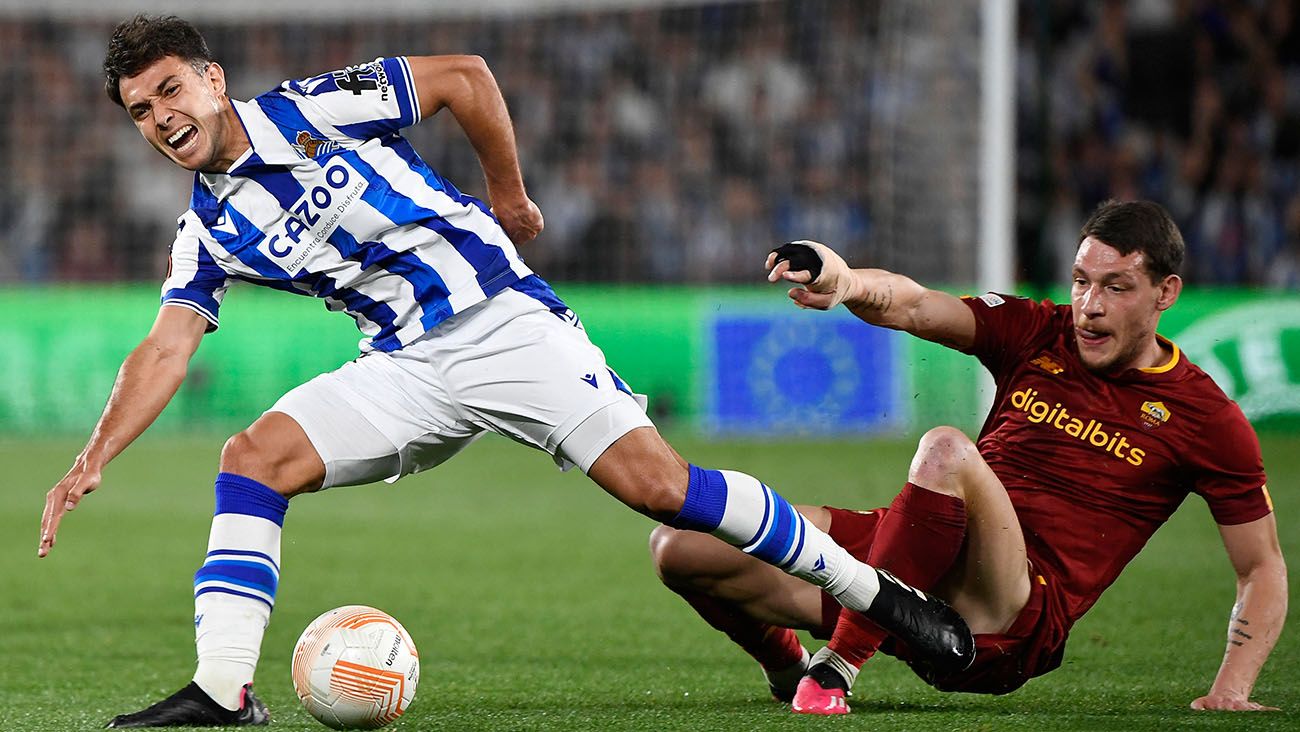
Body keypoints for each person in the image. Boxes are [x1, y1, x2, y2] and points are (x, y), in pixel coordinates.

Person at [37, 15, 974, 728]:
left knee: (660, 489)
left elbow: (463, 78)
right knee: (251, 459)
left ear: (212, 79)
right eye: (142, 112)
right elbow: (166, 346)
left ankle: (878, 597)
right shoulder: (206, 232)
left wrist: (509, 194)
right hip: (402, 365)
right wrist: (93, 458)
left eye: (171, 92)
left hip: (504, 322)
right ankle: (222, 689)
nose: (163, 119)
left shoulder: (315, 105)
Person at [650, 202, 1287, 714]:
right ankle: (788, 669)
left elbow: (1261, 566)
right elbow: (916, 304)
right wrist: (845, 281)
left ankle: (837, 666)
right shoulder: (1040, 329)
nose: (1089, 306)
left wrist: (1231, 687)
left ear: (1165, 293)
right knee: (682, 548)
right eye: (1082, 282)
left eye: (1116, 288)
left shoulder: (1205, 418)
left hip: (1004, 616)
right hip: (917, 566)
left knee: (948, 451)